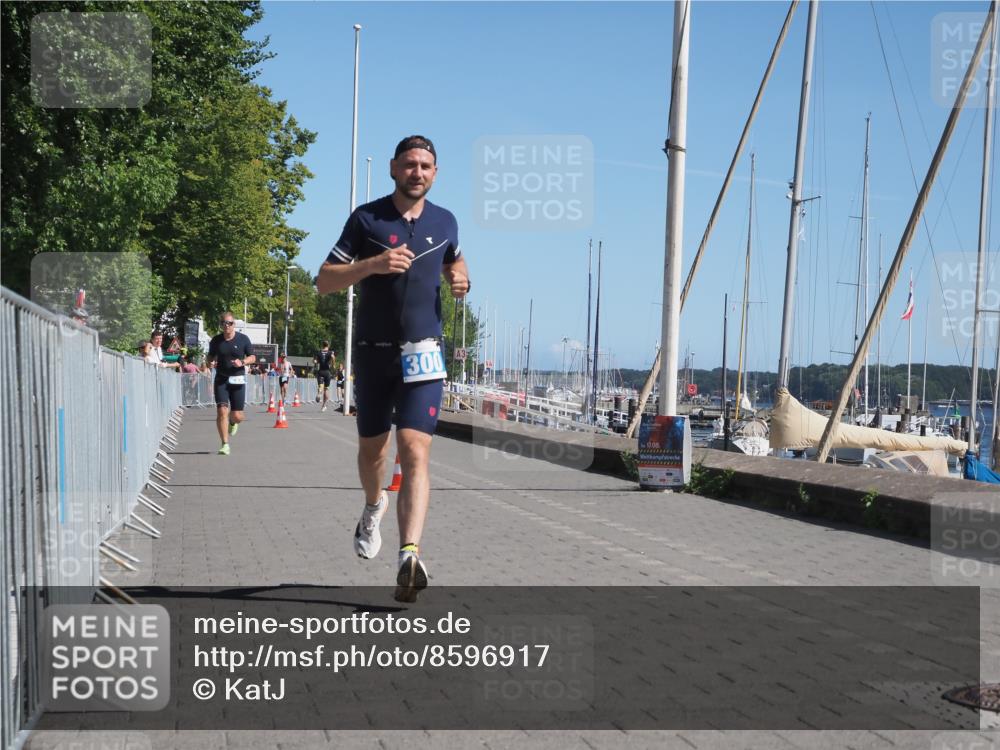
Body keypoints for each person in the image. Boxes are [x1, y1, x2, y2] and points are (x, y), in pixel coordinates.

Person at [317, 134, 470, 602]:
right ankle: (372, 504)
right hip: (373, 350)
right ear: (393, 168)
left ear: (436, 173)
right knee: (373, 455)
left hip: (424, 352)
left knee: (415, 451)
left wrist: (461, 276)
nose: (417, 172)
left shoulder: (445, 221)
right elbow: (323, 281)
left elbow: (454, 258)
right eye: (409, 164)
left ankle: (409, 554)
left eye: (425, 165)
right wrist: (373, 264)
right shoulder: (366, 218)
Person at [206, 312, 255, 455]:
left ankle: (233, 423)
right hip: (221, 379)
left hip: (237, 379)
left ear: (234, 324)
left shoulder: (243, 339)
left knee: (238, 416)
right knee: (222, 411)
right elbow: (210, 356)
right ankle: (225, 444)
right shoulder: (216, 340)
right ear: (221, 325)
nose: (227, 326)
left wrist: (243, 362)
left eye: (230, 323)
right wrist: (210, 361)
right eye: (224, 323)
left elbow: (252, 357)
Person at [314, 341, 336, 412]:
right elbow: (333, 357)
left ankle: (319, 393)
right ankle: (324, 405)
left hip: (320, 371)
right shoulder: (330, 352)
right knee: (326, 389)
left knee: (320, 386)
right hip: (327, 372)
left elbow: (315, 361)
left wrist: (315, 362)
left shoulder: (319, 352)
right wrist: (333, 364)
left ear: (322, 345)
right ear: (328, 345)